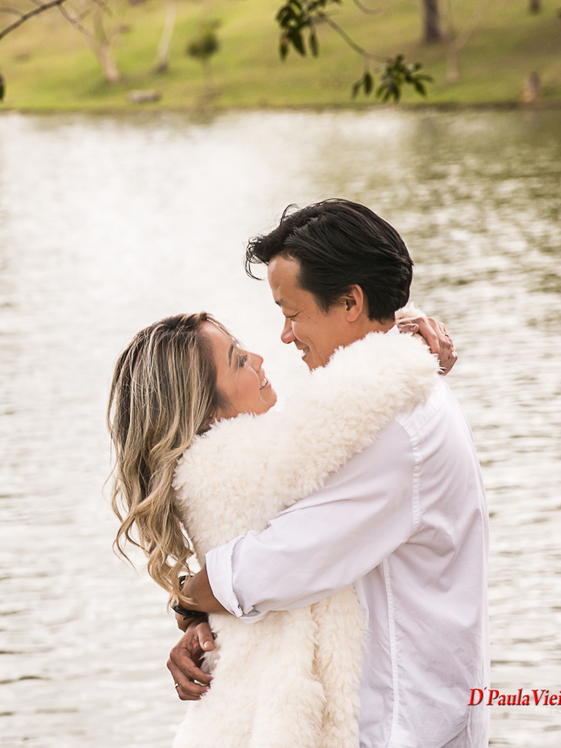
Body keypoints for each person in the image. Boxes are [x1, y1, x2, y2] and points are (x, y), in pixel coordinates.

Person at [162, 200, 488, 747]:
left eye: (292, 312)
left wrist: (188, 599)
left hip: (402, 723)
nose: (284, 336)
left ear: (351, 302)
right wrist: (204, 624)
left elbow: (276, 565)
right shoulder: (370, 404)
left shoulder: (393, 429)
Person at [109, 309, 445, 747]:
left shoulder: (217, 462)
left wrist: (194, 606)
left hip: (240, 709)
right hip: (261, 719)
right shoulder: (238, 463)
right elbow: (349, 408)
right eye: (237, 361)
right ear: (206, 408)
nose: (259, 358)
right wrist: (408, 345)